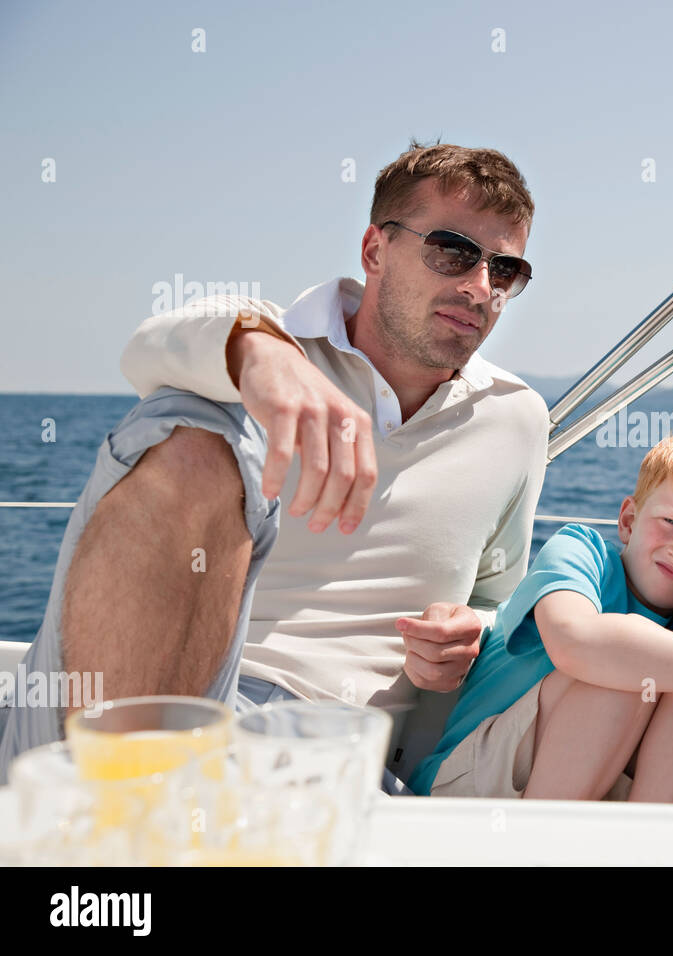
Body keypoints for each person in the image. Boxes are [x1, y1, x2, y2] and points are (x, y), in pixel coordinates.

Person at [0, 142, 550, 790]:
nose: (479, 287)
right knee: (189, 432)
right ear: (375, 250)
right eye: (453, 251)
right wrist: (256, 354)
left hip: (330, 757)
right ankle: (122, 800)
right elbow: (147, 350)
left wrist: (470, 631)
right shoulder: (263, 354)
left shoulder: (516, 420)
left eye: (505, 269)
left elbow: (495, 593)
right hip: (130, 718)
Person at [405, 434, 673, 803]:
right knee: (625, 659)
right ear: (627, 520)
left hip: (599, 799)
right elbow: (574, 643)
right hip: (470, 784)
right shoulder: (580, 552)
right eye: (670, 522)